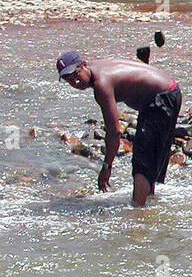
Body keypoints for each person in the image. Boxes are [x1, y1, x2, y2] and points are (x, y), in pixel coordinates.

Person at [56, 51, 182, 206]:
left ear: (83, 65)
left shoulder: (101, 84)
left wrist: (106, 166)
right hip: (169, 91)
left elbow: (114, 131)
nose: (75, 82)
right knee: (151, 154)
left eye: (75, 74)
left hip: (161, 98)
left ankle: (138, 212)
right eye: (68, 80)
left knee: (142, 161)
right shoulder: (99, 66)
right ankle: (149, 202)